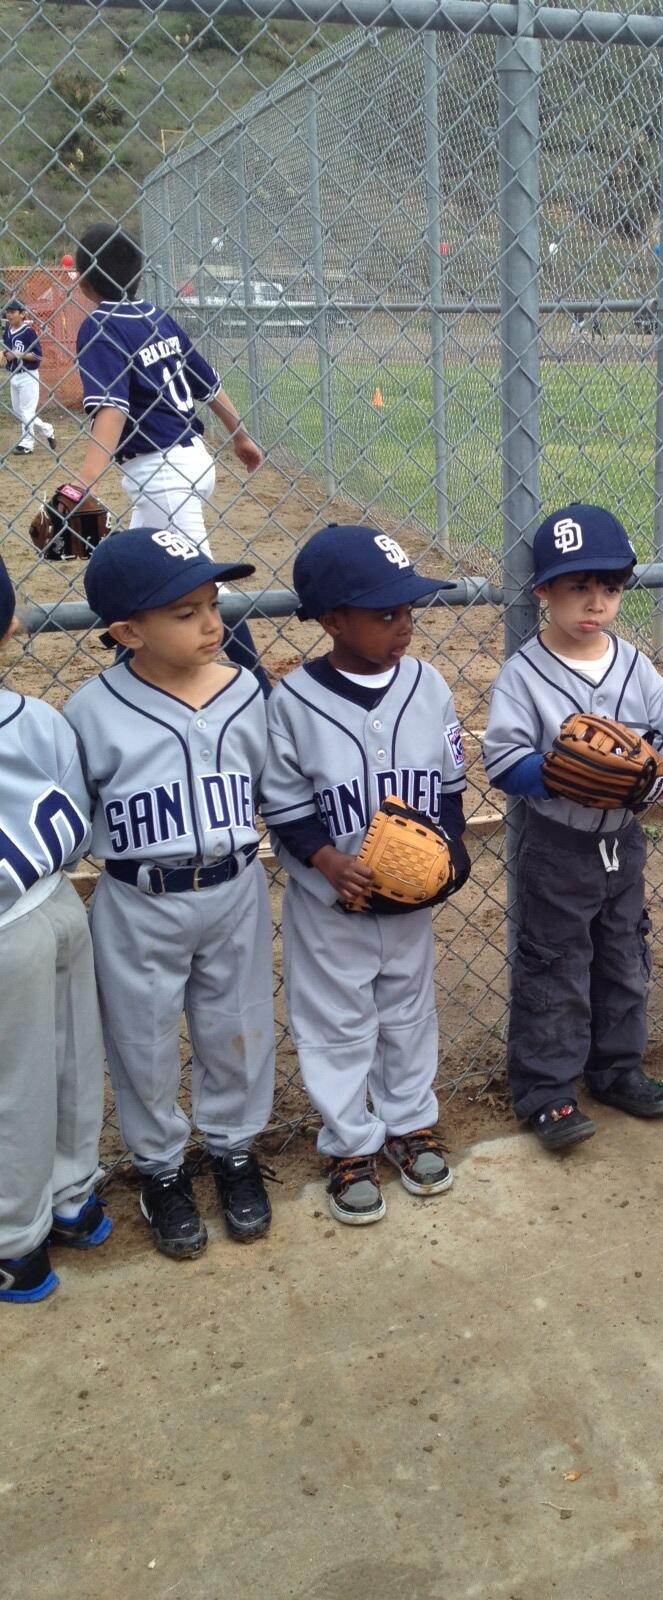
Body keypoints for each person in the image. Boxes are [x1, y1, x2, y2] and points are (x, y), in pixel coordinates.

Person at [64, 529, 276, 1260]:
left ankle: (235, 1150)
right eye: (184, 612)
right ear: (127, 631)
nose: (212, 623)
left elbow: (272, 788)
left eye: (213, 604)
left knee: (238, 1025)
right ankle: (160, 1169)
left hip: (236, 886)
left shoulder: (246, 688)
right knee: (143, 1040)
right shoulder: (90, 710)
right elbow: (75, 814)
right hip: (138, 898)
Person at [261, 525, 469, 1224]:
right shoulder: (291, 703)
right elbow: (286, 807)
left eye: (409, 610)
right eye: (386, 614)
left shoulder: (429, 685)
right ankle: (349, 1141)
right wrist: (325, 859)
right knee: (336, 1023)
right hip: (329, 908)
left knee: (410, 1014)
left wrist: (454, 854)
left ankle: (411, 1123)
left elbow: (446, 790)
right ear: (332, 621)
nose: (404, 624)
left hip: (409, 908)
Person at [482, 504, 663, 1149]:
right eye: (577, 586)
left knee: (625, 956)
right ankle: (547, 1091)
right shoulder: (524, 673)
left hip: (623, 840)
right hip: (558, 842)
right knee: (555, 965)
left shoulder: (634, 665)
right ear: (544, 591)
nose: (595, 602)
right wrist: (554, 776)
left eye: (608, 587)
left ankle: (617, 1068)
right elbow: (502, 759)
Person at [72, 223, 270, 693]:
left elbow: (113, 411)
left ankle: (259, 687)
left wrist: (82, 483)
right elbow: (209, 385)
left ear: (83, 281)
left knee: (198, 583)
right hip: (189, 460)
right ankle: (128, 673)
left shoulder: (100, 325)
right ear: (140, 275)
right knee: (142, 578)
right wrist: (239, 436)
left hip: (161, 471)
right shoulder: (156, 316)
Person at [0, 554, 109, 1303]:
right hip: (59, 905)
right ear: (11, 624)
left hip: (6, 935)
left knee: (14, 1088)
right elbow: (77, 835)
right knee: (73, 1059)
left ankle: (15, 1243)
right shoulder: (39, 721)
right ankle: (75, 1199)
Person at [3, 300, 55, 456]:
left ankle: (27, 444)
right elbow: (7, 352)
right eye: (8, 311)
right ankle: (47, 429)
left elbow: (38, 356)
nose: (9, 314)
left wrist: (21, 355)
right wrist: (5, 355)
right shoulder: (7, 330)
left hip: (28, 376)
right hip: (13, 375)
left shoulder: (29, 332)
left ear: (22, 314)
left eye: (13, 311)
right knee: (19, 411)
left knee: (26, 412)